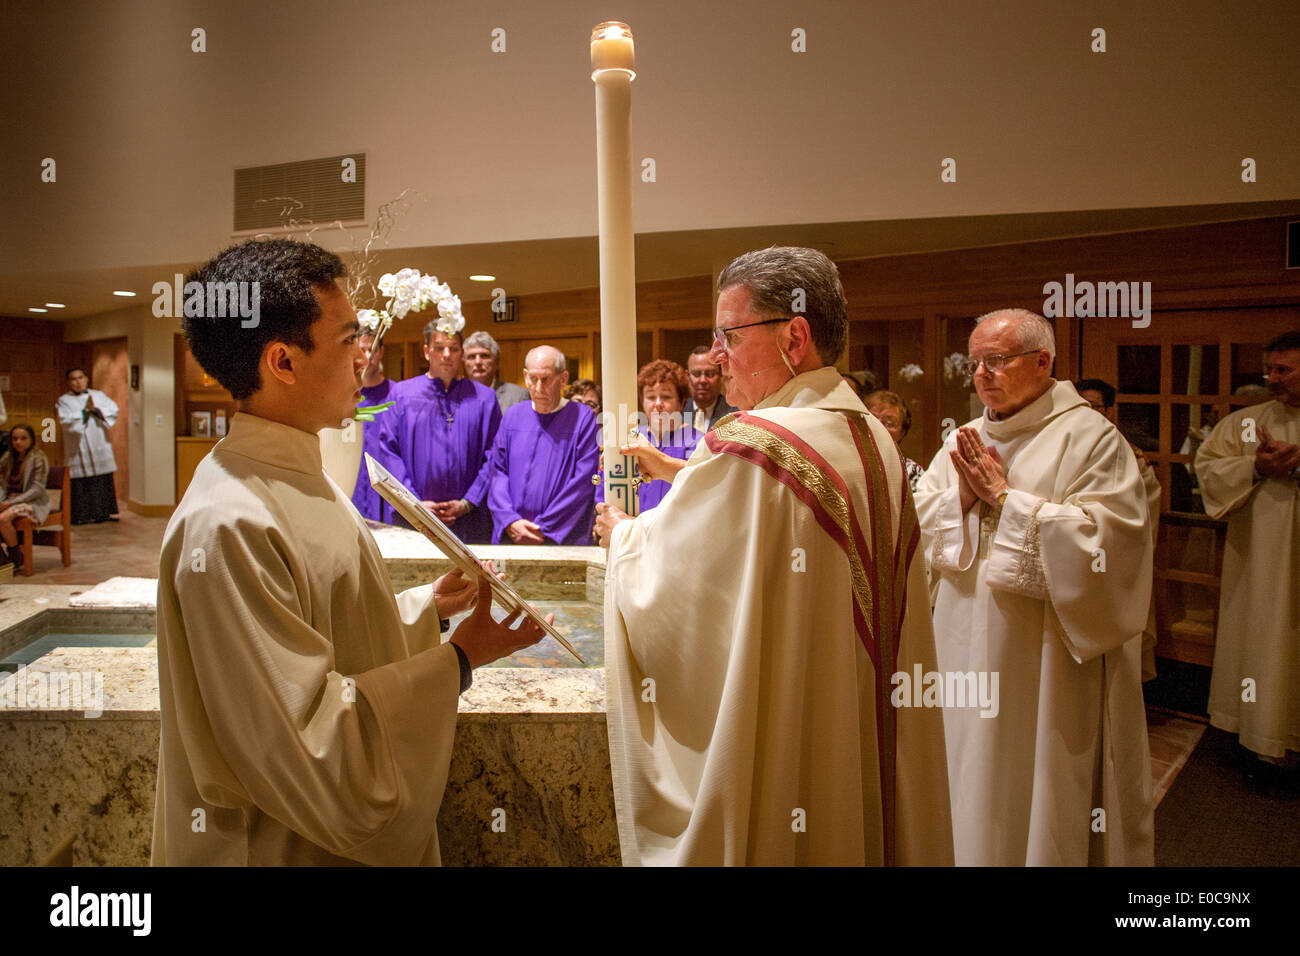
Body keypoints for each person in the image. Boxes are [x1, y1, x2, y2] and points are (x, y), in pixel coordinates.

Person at [154, 238, 546, 866]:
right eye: (347, 341)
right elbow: (307, 748)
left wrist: (427, 609)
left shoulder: (296, 473)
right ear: (282, 361)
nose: (365, 360)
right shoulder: (230, 526)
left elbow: (326, 633)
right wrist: (459, 662)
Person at [595, 246, 952, 865]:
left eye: (729, 335)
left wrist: (624, 538)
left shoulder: (760, 444)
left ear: (795, 335)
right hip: (861, 728)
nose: (714, 356)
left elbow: (675, 589)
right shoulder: (869, 434)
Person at [913, 309, 1154, 866]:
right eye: (974, 363)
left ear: (1042, 362)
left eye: (996, 361)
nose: (981, 375)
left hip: (1044, 654)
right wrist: (960, 502)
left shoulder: (1090, 438)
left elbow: (1108, 545)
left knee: (1033, 768)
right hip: (960, 636)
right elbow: (921, 520)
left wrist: (1006, 499)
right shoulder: (967, 437)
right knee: (966, 760)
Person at [1194, 330, 1300, 776]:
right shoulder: (1244, 422)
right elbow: (1208, 470)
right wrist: (1256, 466)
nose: (1272, 378)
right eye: (1269, 369)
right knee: (1265, 643)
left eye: (1284, 369)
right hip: (1259, 562)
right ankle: (1262, 740)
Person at [376, 322, 501, 543]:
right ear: (426, 351)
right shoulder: (401, 394)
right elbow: (388, 451)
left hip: (468, 518)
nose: (447, 355)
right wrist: (413, 502)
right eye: (439, 348)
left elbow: (494, 455)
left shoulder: (484, 399)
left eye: (453, 349)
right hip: (412, 517)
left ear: (461, 353)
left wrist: (468, 502)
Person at [1075, 377, 1161, 682]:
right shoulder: (1065, 446)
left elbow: (1143, 508)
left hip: (1113, 560)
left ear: (1109, 410)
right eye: (1079, 405)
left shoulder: (1128, 452)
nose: (1085, 412)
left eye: (1094, 406)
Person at [487, 346, 600, 545]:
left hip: (559, 539)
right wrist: (510, 520)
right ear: (525, 375)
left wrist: (542, 528)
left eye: (546, 379)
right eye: (532, 378)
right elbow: (497, 473)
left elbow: (582, 482)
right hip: (511, 535)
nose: (538, 388)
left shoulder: (582, 418)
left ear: (563, 378)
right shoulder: (513, 416)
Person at [597, 360, 698, 513]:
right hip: (628, 531)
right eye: (650, 397)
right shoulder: (629, 440)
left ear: (682, 402)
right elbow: (604, 492)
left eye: (666, 396)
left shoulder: (697, 443)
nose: (658, 404)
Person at [56, 367, 119, 524]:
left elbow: (113, 411)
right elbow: (65, 421)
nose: (78, 382)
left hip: (99, 443)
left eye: (80, 378)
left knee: (101, 478)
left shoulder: (98, 396)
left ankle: (103, 513)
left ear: (86, 379)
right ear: (68, 382)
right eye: (74, 379)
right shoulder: (64, 400)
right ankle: (80, 515)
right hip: (79, 447)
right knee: (79, 480)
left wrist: (96, 409)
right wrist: (84, 412)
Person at [349, 330, 394, 523]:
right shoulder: (346, 397)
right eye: (362, 349)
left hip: (386, 491)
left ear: (381, 351)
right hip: (354, 487)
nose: (368, 356)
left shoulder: (396, 395)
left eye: (373, 349)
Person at [0, 424, 52, 573]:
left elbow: (37, 489)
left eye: (23, 438)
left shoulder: (38, 458)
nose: (18, 442)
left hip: (32, 501)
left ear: (31, 440)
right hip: (10, 499)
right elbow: (2, 483)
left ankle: (16, 555)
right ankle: (2, 560)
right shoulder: (8, 458)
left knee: (2, 519)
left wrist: (10, 502)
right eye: (15, 438)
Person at [865, 389, 924, 492]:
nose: (878, 427)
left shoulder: (913, 472)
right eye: (871, 420)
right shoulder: (848, 464)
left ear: (902, 432)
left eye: (889, 423)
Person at [463, 330, 528, 413]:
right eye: (471, 357)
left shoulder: (518, 396)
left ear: (497, 362)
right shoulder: (456, 397)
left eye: (484, 356)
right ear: (464, 363)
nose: (478, 362)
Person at [680, 345, 736, 433]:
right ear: (687, 377)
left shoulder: (735, 414)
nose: (703, 380)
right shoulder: (678, 410)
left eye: (710, 374)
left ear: (721, 376)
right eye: (696, 374)